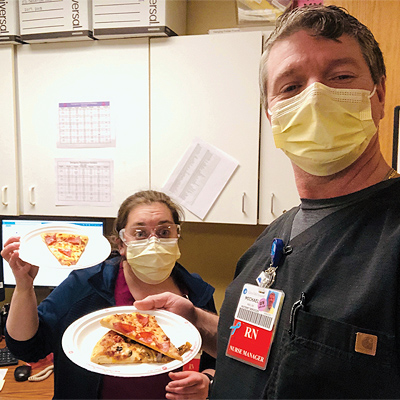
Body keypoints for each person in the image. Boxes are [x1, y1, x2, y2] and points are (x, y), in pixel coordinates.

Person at [134, 5, 400, 399]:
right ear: (271, 114)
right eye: (291, 86)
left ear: (378, 94)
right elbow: (269, 351)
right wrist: (196, 321)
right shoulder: (274, 240)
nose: (315, 97)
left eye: (340, 76)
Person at [1, 190, 216, 399]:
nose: (154, 242)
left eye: (164, 232)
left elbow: (217, 362)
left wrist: (208, 381)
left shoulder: (197, 293)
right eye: (140, 234)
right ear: (121, 244)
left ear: (177, 236)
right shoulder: (86, 283)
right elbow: (28, 347)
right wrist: (24, 285)